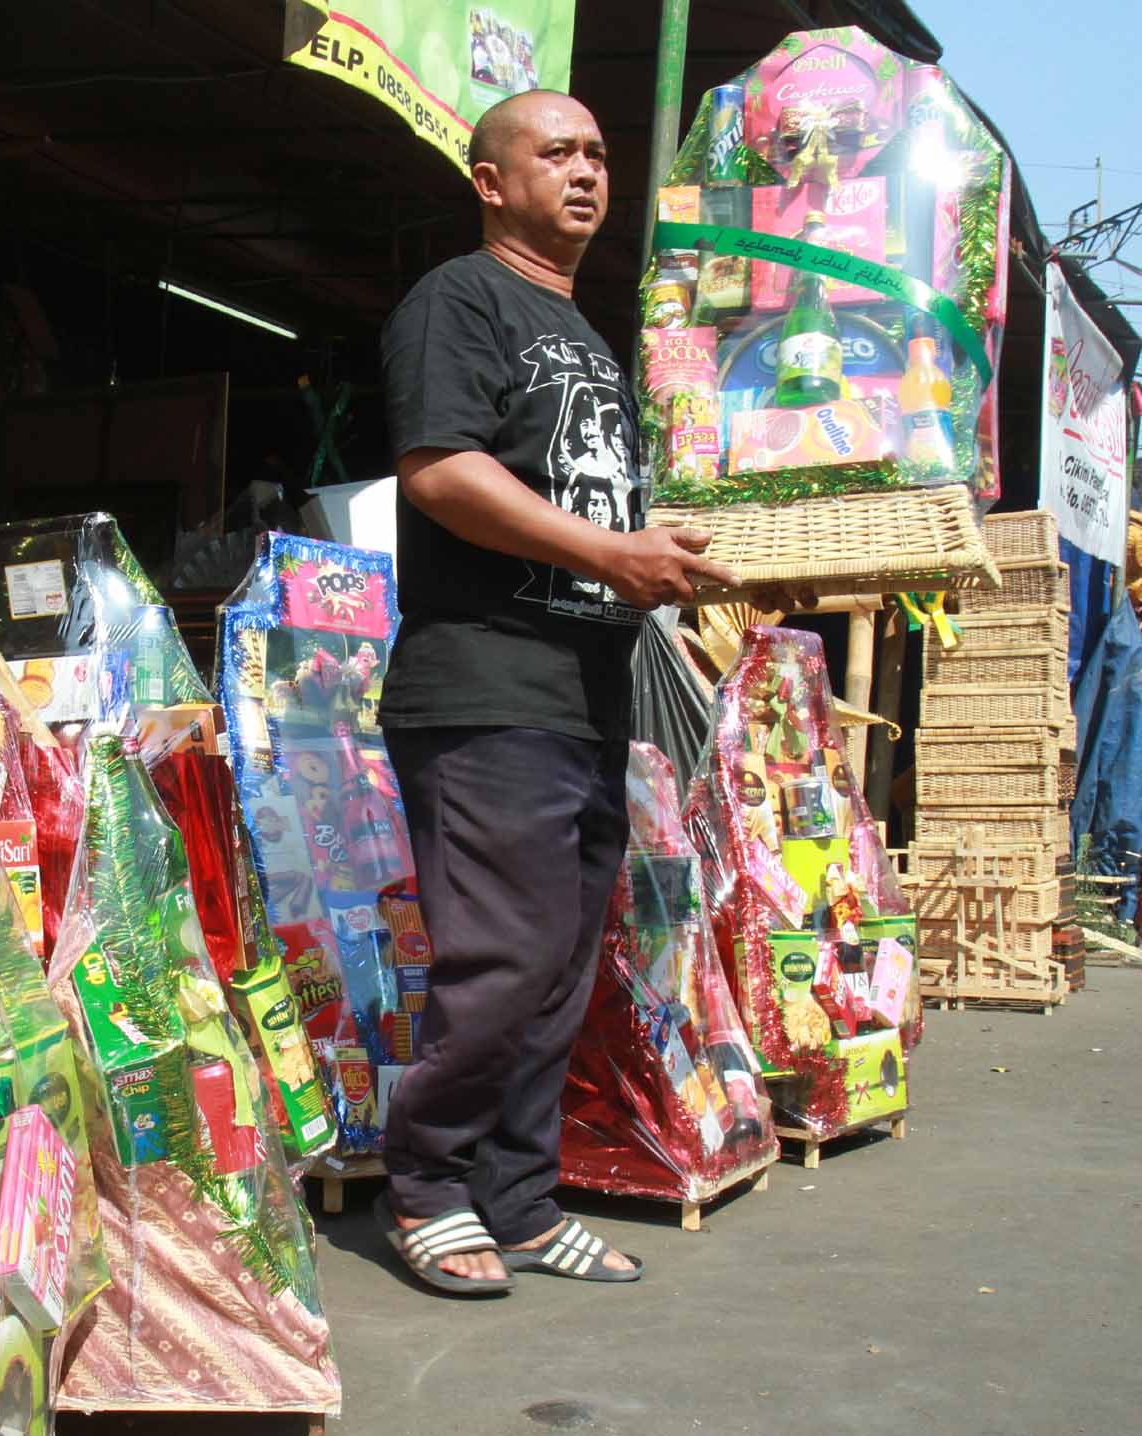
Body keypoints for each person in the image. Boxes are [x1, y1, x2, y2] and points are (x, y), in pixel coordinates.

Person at [372, 88, 737, 1296]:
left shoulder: (586, 336)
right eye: (555, 151)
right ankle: (424, 1184)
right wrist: (606, 554)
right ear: (489, 181)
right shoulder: (457, 299)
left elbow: (574, 504)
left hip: (584, 693)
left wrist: (649, 547)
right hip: (483, 685)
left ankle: (519, 1201)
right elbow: (438, 471)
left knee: (561, 965)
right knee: (502, 956)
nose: (586, 170)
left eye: (596, 151)